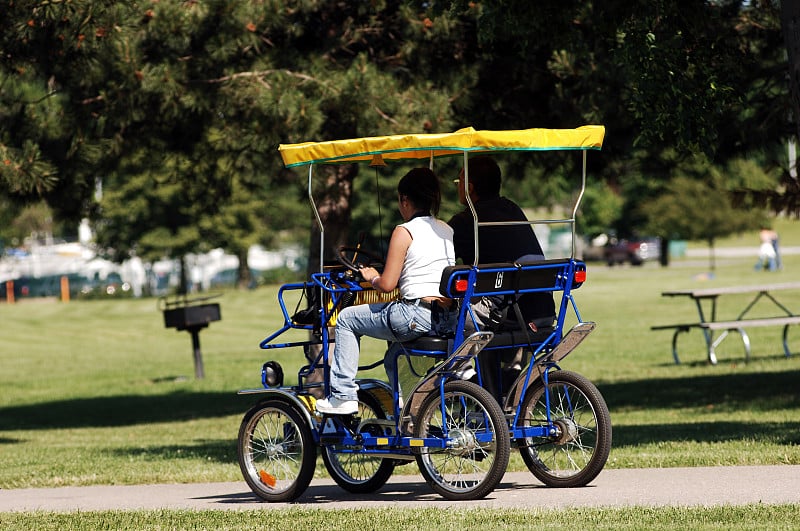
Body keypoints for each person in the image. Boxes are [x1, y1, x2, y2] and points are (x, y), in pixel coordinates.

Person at [316, 167, 457, 415]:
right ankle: (408, 410)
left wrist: (372, 276)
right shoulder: (446, 229)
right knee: (394, 354)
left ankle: (343, 396)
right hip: (445, 318)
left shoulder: (404, 231)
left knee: (347, 319)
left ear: (405, 200)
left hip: (414, 316)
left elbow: (388, 285)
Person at [447, 156, 555, 398]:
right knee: (483, 314)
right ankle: (497, 392)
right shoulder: (512, 209)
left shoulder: (467, 220)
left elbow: (440, 260)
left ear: (469, 188)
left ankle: (469, 383)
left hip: (510, 316)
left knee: (441, 324)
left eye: (459, 181)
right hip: (543, 312)